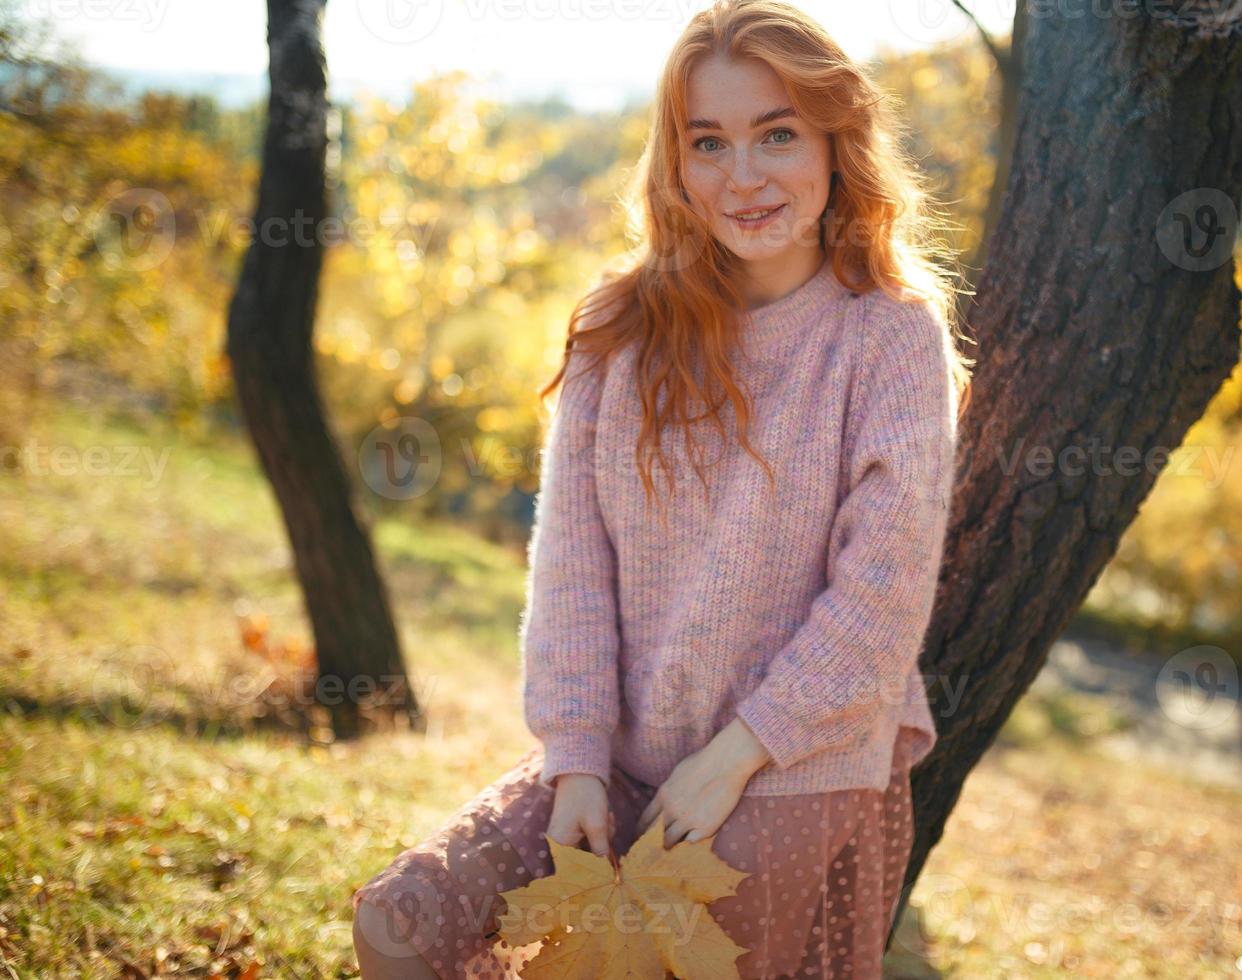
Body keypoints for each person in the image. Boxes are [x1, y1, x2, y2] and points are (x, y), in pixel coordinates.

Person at [352, 1, 973, 976]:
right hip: (627, 752)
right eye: (709, 142)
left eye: (777, 134)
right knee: (399, 921)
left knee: (657, 962)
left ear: (835, 143)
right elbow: (569, 560)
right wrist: (577, 759)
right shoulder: (620, 326)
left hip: (794, 761)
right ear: (674, 165)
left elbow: (882, 596)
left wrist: (734, 757)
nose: (745, 175)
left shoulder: (888, 339)